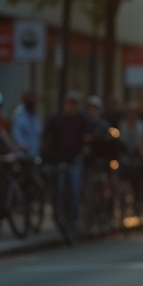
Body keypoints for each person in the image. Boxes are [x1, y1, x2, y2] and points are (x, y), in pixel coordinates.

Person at [44, 92, 92, 232]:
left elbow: (88, 134)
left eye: (74, 104)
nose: (71, 107)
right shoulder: (55, 118)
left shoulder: (81, 118)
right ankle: (58, 216)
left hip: (75, 158)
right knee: (58, 189)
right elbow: (46, 136)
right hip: (58, 158)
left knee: (74, 189)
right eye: (69, 103)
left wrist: (86, 142)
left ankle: (74, 220)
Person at [11, 91, 42, 156]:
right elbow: (17, 134)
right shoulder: (19, 115)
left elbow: (39, 133)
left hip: (35, 154)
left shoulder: (35, 117)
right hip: (23, 156)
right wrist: (23, 146)